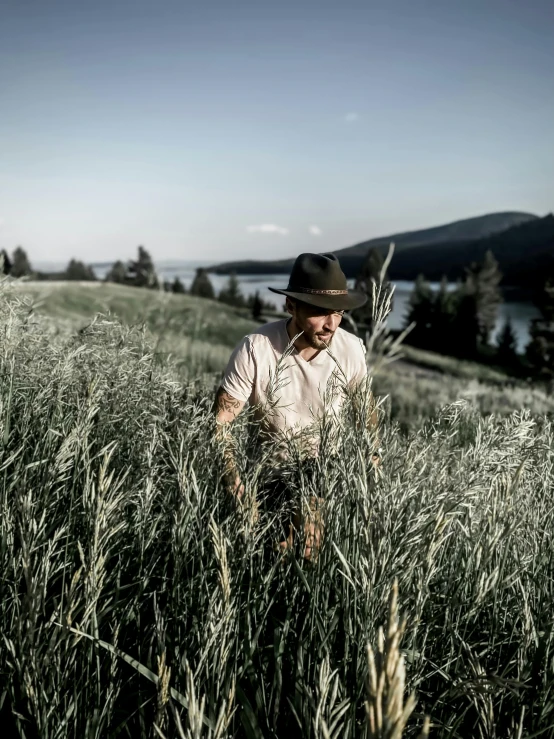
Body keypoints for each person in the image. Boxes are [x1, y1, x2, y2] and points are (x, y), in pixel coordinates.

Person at [214, 252, 380, 560]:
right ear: (291, 306)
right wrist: (237, 488)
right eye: (320, 312)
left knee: (308, 554)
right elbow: (220, 426)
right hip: (266, 472)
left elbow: (366, 413)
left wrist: (373, 468)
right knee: (266, 560)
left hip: (324, 469)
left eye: (339, 312)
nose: (331, 324)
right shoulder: (256, 348)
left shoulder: (351, 349)